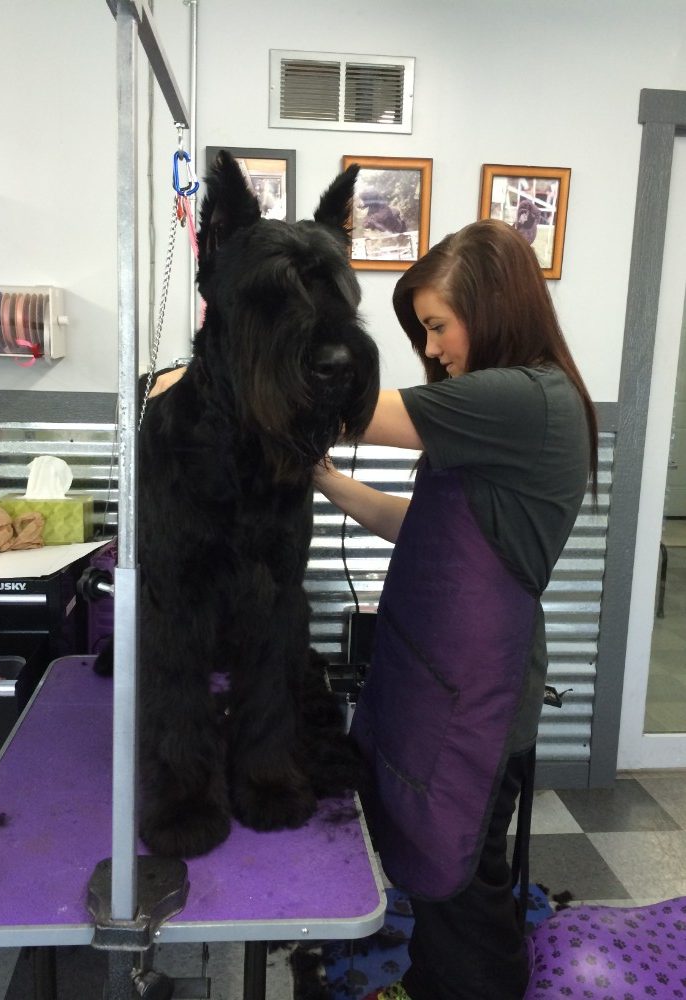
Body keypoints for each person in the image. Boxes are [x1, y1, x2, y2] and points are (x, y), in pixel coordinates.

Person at [313, 218, 597, 1000]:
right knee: (445, 882)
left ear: (494, 305)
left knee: (462, 885)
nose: (432, 349)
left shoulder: (527, 398)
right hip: (435, 681)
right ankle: (435, 982)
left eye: (437, 326)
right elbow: (422, 526)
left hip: (477, 697)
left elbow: (352, 409)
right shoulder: (494, 413)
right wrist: (328, 482)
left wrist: (228, 376)